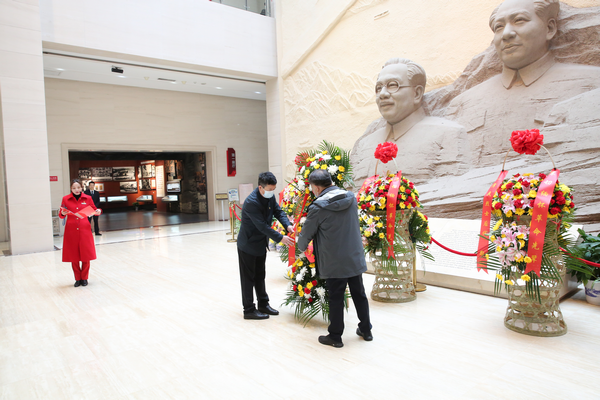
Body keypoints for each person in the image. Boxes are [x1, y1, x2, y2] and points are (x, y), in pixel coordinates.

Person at [444, 0, 600, 166]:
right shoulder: (463, 104)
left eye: (519, 20)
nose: (506, 34)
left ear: (549, 28)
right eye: (499, 27)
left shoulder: (591, 83)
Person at [351, 58, 468, 187]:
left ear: (417, 93)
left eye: (392, 85)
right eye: (378, 88)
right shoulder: (364, 145)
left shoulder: (448, 135)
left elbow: (451, 187)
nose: (382, 94)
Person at [297, 170, 372, 348]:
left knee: (336, 297)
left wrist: (300, 247)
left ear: (316, 187)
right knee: (359, 294)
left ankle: (335, 336)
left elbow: (306, 234)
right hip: (354, 256)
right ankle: (366, 330)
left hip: (334, 260)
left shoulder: (318, 207)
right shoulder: (351, 198)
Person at [237, 172, 295, 320]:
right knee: (248, 278)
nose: (271, 192)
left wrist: (287, 225)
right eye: (269, 189)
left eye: (273, 189)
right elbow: (262, 226)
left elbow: (278, 211)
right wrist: (281, 238)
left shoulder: (269, 196)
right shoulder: (251, 202)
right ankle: (249, 309)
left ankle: (263, 304)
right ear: (260, 187)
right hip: (248, 244)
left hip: (260, 243)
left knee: (260, 275)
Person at [60, 179, 102, 287]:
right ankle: (77, 279)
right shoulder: (65, 199)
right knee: (73, 256)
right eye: (74, 188)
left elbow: (95, 210)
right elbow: (61, 215)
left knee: (85, 255)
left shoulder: (88, 198)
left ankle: (84, 278)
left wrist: (98, 211)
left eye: (78, 187)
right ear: (71, 188)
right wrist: (63, 213)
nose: (76, 190)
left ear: (81, 188)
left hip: (84, 229)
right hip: (71, 230)